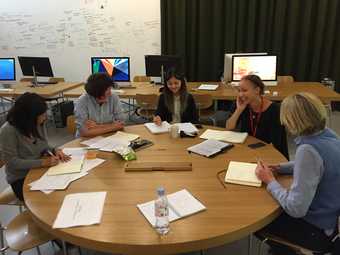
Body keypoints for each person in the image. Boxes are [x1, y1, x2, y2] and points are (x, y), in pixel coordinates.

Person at [255, 92, 340, 255]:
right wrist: (280, 167)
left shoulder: (307, 150)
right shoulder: (330, 135)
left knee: (257, 218)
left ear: (292, 122)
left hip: (316, 231)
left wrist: (270, 180)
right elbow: (319, 163)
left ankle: (286, 251)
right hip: (331, 222)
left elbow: (296, 208)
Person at [0, 93, 70, 201]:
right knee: (50, 200)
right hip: (21, 178)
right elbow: (12, 162)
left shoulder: (35, 124)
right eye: (42, 115)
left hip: (40, 170)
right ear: (28, 116)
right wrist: (43, 163)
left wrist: (55, 150)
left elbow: (44, 144)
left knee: (66, 189)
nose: (45, 117)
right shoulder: (8, 130)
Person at [225, 74, 288, 159]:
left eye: (244, 90)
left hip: (269, 154)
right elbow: (229, 127)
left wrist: (255, 155)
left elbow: (275, 143)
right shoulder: (241, 104)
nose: (240, 95)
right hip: (247, 149)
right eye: (239, 91)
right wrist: (239, 110)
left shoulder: (275, 110)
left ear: (257, 90)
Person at [74, 73, 125, 137]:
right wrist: (113, 126)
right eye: (102, 97)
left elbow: (121, 124)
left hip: (110, 137)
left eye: (109, 90)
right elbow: (85, 132)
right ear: (93, 95)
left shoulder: (113, 97)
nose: (107, 99)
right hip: (87, 139)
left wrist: (96, 126)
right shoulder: (82, 101)